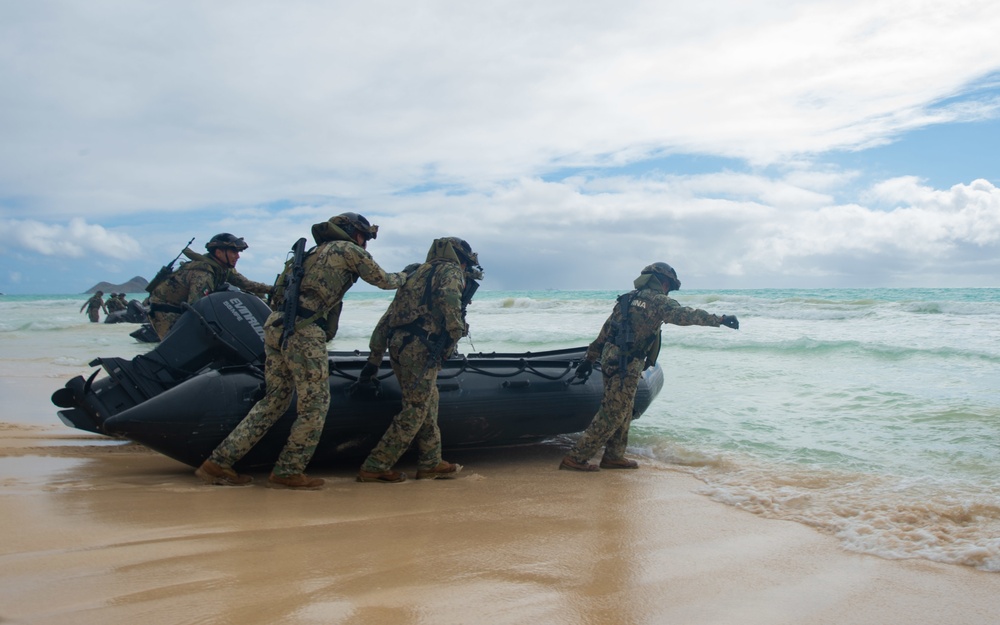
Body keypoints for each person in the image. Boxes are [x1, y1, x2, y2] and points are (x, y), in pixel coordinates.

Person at [195, 213, 407, 490]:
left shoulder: (309, 255)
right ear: (353, 234)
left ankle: (219, 462)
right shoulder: (347, 250)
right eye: (364, 236)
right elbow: (383, 280)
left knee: (274, 400)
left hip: (276, 325)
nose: (365, 242)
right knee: (315, 405)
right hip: (304, 331)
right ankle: (288, 470)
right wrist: (406, 275)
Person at [559, 262, 740, 472]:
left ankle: (613, 456)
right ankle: (576, 458)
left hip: (611, 359)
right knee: (614, 412)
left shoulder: (627, 299)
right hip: (627, 363)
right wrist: (720, 319)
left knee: (623, 408)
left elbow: (606, 331)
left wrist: (590, 359)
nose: (667, 289)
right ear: (663, 282)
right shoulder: (658, 301)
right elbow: (685, 315)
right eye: (668, 285)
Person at [355, 237, 482, 483]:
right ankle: (376, 464)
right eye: (465, 263)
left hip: (399, 345)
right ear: (460, 259)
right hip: (421, 348)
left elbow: (388, 317)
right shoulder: (451, 271)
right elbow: (450, 304)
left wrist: (374, 358)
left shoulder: (415, 273)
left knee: (427, 402)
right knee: (415, 408)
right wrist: (454, 337)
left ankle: (430, 461)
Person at [147, 233, 273, 340]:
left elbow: (246, 284)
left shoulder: (223, 268)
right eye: (233, 252)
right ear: (218, 252)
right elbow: (196, 308)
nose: (238, 256)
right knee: (181, 347)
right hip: (166, 312)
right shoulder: (203, 274)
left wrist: (275, 289)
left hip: (181, 310)